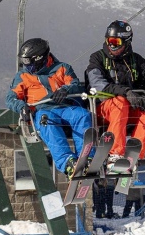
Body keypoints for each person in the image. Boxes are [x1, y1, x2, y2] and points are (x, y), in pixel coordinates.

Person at [85, 20, 145, 163]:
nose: (111, 45)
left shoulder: (135, 60)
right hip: (103, 110)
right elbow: (97, 84)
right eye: (109, 40)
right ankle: (116, 154)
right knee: (120, 102)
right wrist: (126, 92)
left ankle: (135, 153)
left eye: (116, 41)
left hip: (128, 110)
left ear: (126, 42)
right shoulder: (97, 58)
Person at [6, 38, 91, 177]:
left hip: (64, 107)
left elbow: (75, 84)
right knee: (47, 121)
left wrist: (66, 90)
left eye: (28, 61)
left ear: (39, 58)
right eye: (24, 61)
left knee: (82, 115)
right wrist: (22, 107)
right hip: (42, 110)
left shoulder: (62, 68)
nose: (25, 65)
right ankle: (68, 162)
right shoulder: (23, 76)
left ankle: (86, 157)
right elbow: (11, 98)